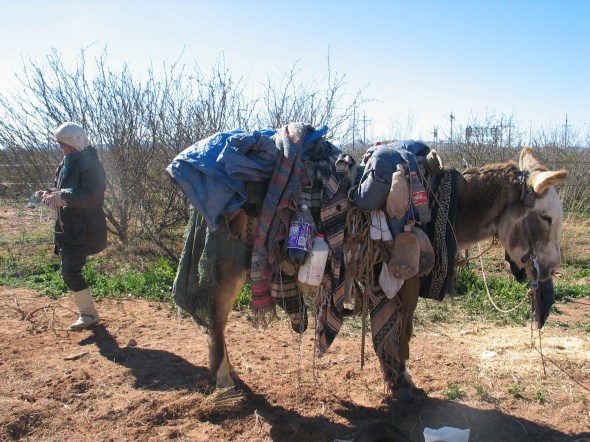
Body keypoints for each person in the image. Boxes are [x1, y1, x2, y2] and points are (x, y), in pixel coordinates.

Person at [38, 122, 108, 331]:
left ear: (75, 142)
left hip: (83, 228)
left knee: (69, 271)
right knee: (70, 270)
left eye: (64, 144)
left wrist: (62, 197)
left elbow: (92, 195)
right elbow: (64, 189)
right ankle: (88, 314)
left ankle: (88, 315)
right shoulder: (68, 162)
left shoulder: (90, 164)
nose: (62, 148)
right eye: (59, 144)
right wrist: (48, 194)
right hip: (70, 226)